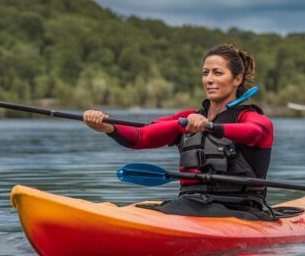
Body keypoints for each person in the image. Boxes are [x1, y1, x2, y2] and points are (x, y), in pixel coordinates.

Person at [83, 44, 274, 221]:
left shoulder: (250, 118)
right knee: (146, 208)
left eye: (217, 73)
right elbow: (142, 136)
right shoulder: (187, 118)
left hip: (242, 211)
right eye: (205, 73)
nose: (209, 80)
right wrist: (108, 127)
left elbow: (255, 133)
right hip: (191, 204)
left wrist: (209, 126)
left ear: (237, 79)